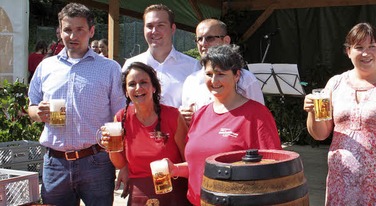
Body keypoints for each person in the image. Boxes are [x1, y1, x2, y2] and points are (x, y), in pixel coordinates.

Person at [303, 22, 376, 205]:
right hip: (340, 180)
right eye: (359, 47)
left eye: (372, 46)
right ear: (348, 51)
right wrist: (311, 112)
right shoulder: (335, 84)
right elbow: (320, 134)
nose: (366, 53)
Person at [27, 3, 126, 205]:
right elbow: (32, 106)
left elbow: (121, 116)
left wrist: (124, 162)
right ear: (59, 32)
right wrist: (39, 113)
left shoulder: (109, 68)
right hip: (55, 164)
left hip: (96, 161)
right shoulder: (46, 67)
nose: (73, 36)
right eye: (67, 30)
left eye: (79, 29)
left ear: (91, 31)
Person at [168, 44, 282, 206]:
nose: (214, 81)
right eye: (209, 74)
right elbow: (198, 164)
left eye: (221, 74)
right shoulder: (200, 114)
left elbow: (274, 170)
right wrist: (174, 169)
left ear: (237, 75)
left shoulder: (257, 115)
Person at [101, 62, 190, 205]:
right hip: (140, 194)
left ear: (154, 87)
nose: (138, 88)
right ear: (125, 91)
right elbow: (120, 163)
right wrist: (110, 147)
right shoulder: (121, 118)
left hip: (173, 192)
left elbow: (189, 159)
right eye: (132, 84)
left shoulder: (172, 116)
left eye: (144, 82)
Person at [181, 18, 264, 125]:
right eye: (199, 39)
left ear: (226, 41)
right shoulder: (191, 81)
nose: (203, 43)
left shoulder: (245, 78)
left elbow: (259, 118)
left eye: (210, 38)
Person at [122, 4, 199, 108]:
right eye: (149, 26)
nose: (154, 31)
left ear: (173, 28)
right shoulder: (130, 65)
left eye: (160, 25)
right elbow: (123, 104)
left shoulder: (192, 67)